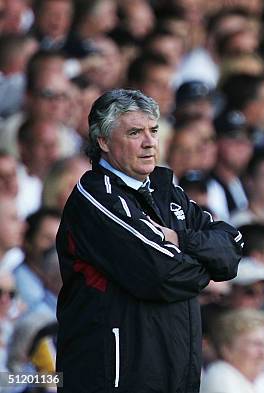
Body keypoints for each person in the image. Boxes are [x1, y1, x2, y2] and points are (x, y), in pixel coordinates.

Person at [55, 89, 243, 392]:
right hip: (115, 381)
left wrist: (179, 240)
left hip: (175, 374)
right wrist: (203, 267)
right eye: (134, 132)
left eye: (153, 130)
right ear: (103, 141)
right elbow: (163, 275)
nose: (149, 141)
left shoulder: (167, 191)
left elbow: (232, 248)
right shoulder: (95, 199)